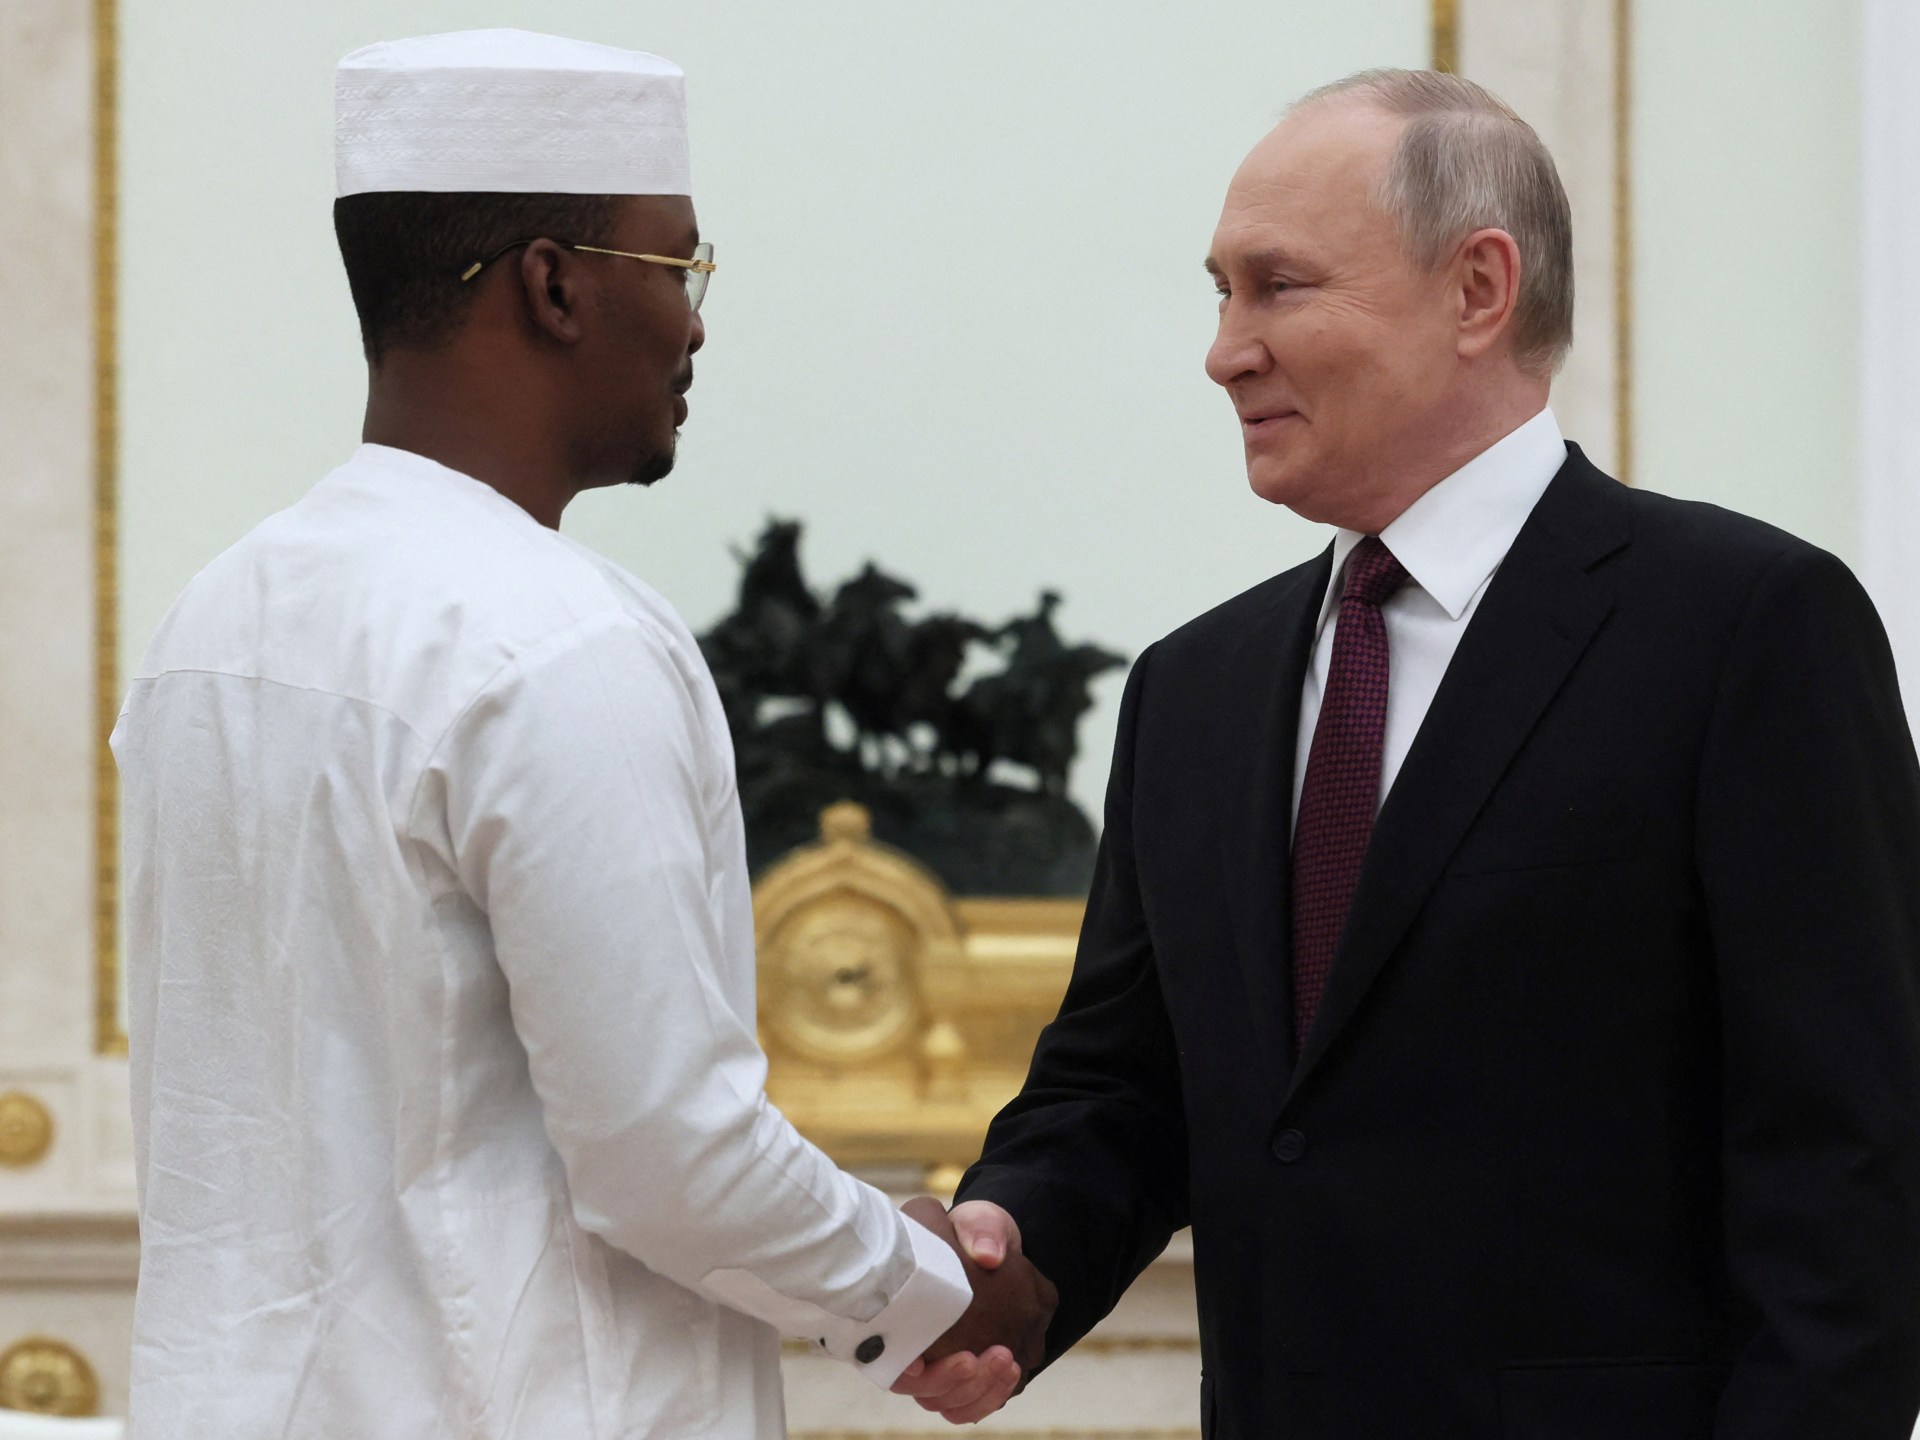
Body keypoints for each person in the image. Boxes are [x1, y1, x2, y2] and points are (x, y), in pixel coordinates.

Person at [901, 68, 1920, 1435]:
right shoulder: (1192, 691)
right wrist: (1004, 1255)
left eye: (1278, 287)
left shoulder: (1745, 629)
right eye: (1220, 294)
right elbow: (1122, 1090)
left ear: (1478, 291)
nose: (1224, 350)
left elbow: (1848, 1168)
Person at [111, 30, 1051, 1438]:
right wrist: (922, 1287)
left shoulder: (215, 621)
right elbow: (670, 1153)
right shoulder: (557, 640)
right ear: (554, 286)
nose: (696, 324)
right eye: (678, 266)